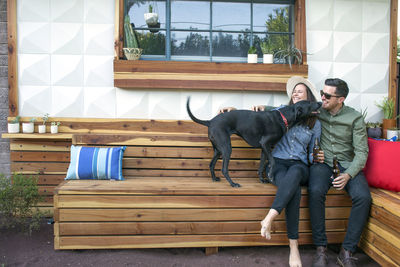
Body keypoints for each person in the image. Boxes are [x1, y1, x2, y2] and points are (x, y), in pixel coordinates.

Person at [220, 76, 322, 267]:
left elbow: (311, 154)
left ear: (308, 97)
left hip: (300, 165)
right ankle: (294, 248)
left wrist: (316, 158)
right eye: (294, 91)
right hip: (278, 164)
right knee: (294, 190)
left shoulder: (314, 123)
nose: (295, 93)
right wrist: (233, 111)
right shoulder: (279, 113)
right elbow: (254, 114)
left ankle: (270, 217)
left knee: (295, 174)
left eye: (300, 91)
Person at [309, 78, 371, 267]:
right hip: (324, 164)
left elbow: (362, 152)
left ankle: (347, 250)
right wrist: (261, 107)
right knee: (315, 191)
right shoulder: (317, 109)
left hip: (347, 165)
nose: (322, 98)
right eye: (322, 93)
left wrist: (349, 174)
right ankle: (320, 249)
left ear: (341, 99)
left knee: (363, 197)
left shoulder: (355, 118)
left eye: (327, 95)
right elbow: (288, 107)